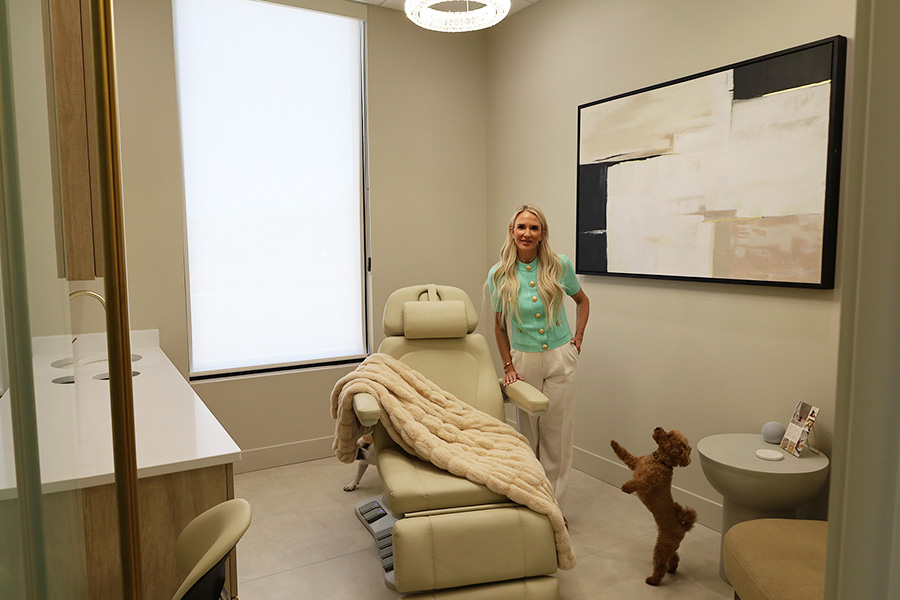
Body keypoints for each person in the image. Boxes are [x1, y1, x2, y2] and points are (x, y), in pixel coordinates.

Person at [488, 204, 590, 511]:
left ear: (542, 233)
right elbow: (498, 325)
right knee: (527, 435)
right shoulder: (499, 273)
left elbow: (582, 301)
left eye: (534, 228)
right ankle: (531, 499)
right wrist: (507, 365)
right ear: (512, 231)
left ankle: (553, 508)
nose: (527, 233)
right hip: (523, 362)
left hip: (561, 358)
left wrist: (578, 339)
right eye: (521, 227)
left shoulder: (560, 265)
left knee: (557, 438)